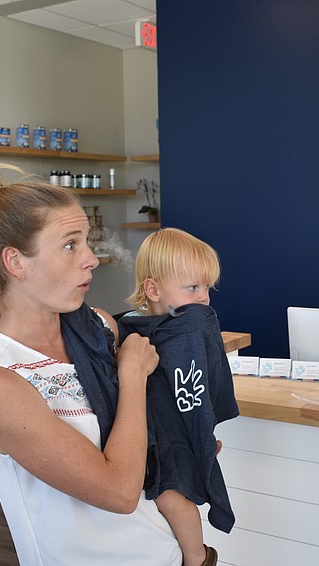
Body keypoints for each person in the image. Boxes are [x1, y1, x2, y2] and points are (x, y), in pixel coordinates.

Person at [0, 164, 182, 565]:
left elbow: (142, 437)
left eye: (87, 243)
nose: (91, 259)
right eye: (71, 245)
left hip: (161, 548)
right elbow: (119, 492)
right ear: (16, 262)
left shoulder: (99, 329)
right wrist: (131, 376)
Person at [119, 228, 239, 566]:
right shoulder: (130, 329)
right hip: (145, 436)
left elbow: (202, 384)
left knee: (172, 495)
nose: (204, 298)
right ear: (153, 289)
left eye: (207, 288)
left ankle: (197, 557)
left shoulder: (192, 329)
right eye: (193, 288)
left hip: (176, 436)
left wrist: (201, 431)